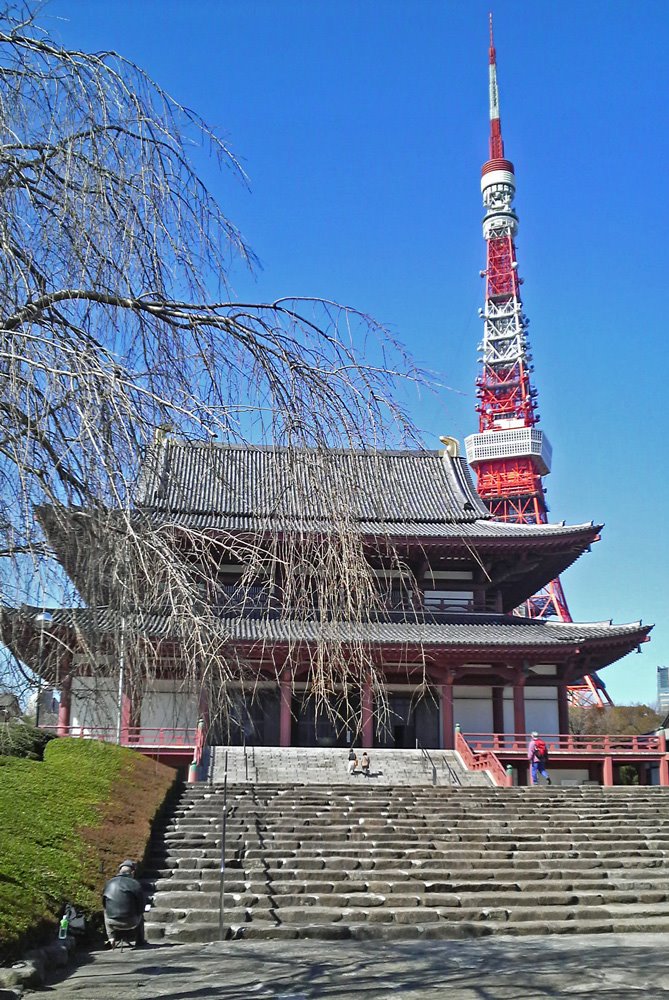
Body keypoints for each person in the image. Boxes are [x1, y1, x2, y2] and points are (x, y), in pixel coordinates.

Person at [102, 859, 146, 946]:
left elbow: (104, 902)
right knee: (141, 914)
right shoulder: (135, 884)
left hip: (111, 922)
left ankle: (111, 939)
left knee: (105, 911)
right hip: (131, 921)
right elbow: (141, 905)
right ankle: (140, 941)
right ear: (132, 872)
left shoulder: (108, 883)